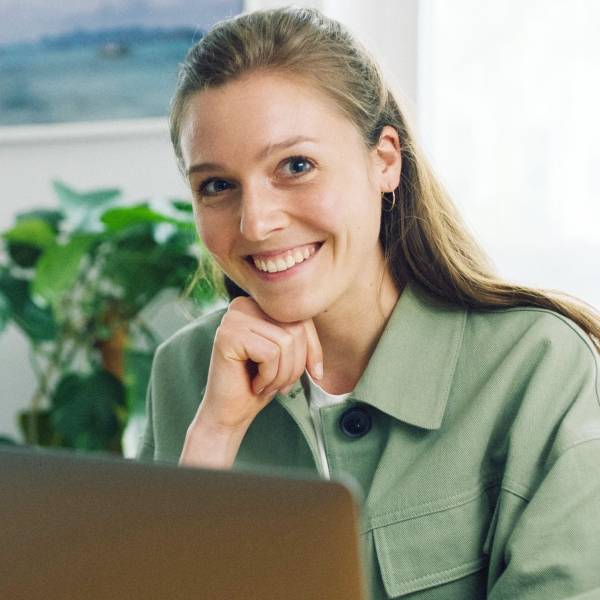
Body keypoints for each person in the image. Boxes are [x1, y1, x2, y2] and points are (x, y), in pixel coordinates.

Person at [136, 7, 600, 599]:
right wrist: (213, 439)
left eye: (296, 166)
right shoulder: (184, 374)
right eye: (217, 186)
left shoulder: (537, 367)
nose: (255, 222)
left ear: (384, 160)